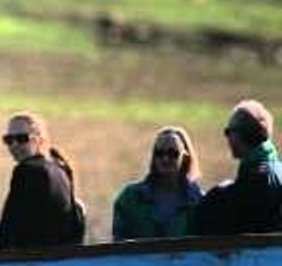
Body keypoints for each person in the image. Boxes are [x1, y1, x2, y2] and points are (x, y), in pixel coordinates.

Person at [0, 112, 83, 249]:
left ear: (39, 140)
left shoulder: (27, 170)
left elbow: (8, 229)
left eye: (22, 138)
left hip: (34, 259)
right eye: (8, 140)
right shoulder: (61, 168)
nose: (14, 145)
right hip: (61, 255)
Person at [197, 99, 282, 236]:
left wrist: (217, 195)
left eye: (228, 131)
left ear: (238, 134)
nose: (227, 138)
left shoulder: (256, 175)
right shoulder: (276, 168)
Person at [112, 126, 204, 241]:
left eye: (172, 153)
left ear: (185, 157)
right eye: (159, 153)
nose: (165, 159)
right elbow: (118, 245)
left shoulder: (199, 202)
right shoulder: (129, 199)